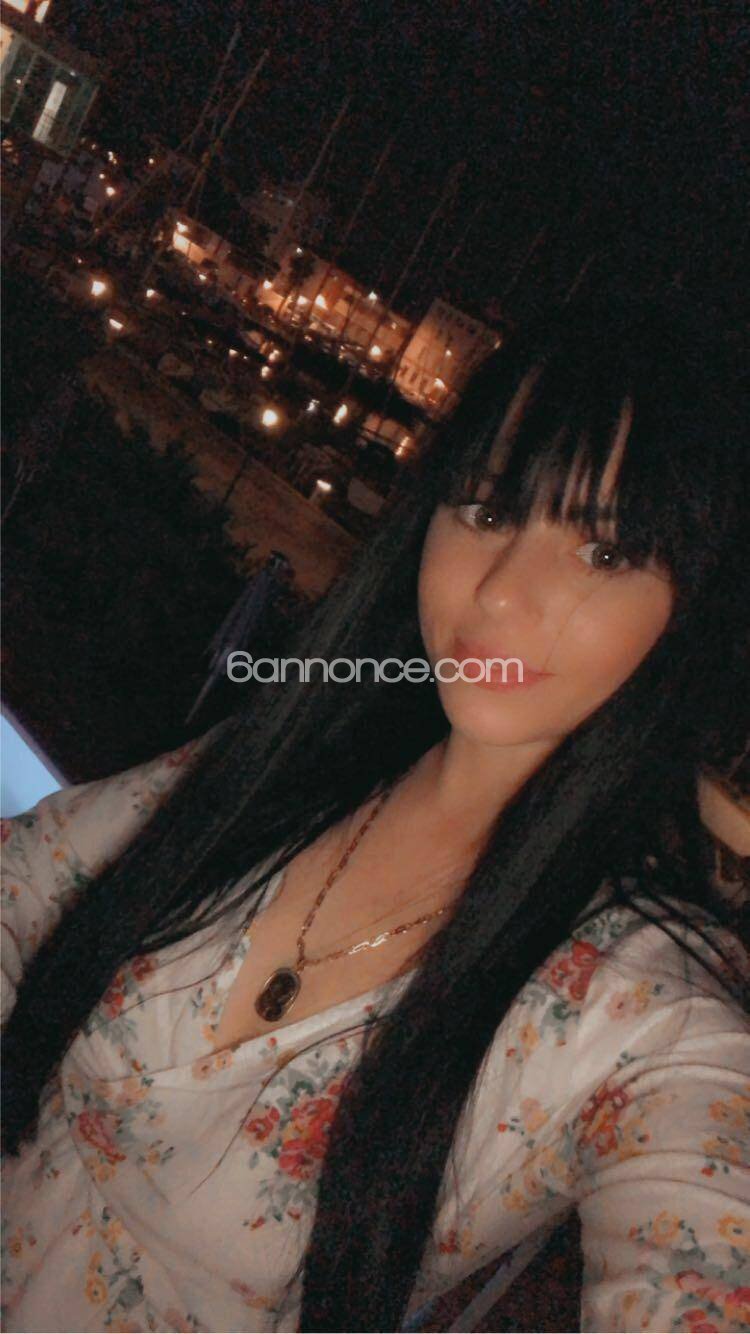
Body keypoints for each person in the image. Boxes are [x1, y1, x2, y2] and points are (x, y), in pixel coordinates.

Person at [2, 291, 748, 1334]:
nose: (500, 593)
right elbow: (28, 884)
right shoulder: (299, 767)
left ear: (692, 609)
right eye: (487, 510)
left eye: (606, 551)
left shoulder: (634, 1014)